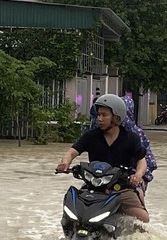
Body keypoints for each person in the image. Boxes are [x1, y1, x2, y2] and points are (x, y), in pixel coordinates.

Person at [56, 93, 150, 223]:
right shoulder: (91, 136)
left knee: (143, 219)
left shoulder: (131, 138)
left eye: (104, 115)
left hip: (121, 189)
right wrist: (65, 163)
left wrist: (138, 175)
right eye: (98, 114)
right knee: (70, 212)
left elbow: (142, 160)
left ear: (116, 117)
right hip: (93, 187)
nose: (99, 118)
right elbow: (72, 152)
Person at [122, 94, 157, 191]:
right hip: (110, 176)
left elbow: (148, 160)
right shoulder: (104, 133)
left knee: (136, 194)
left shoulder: (137, 134)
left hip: (135, 177)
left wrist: (139, 175)